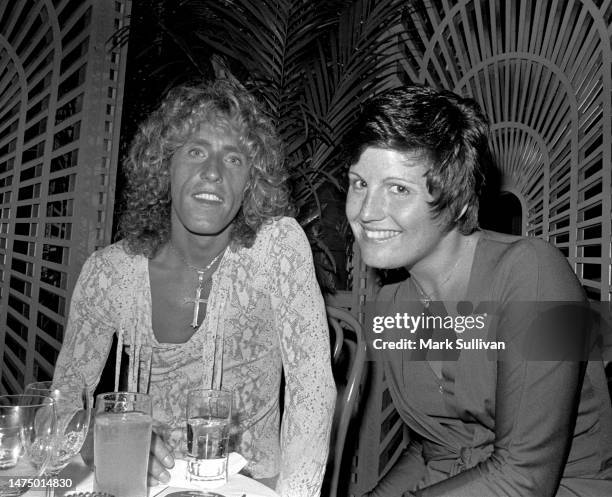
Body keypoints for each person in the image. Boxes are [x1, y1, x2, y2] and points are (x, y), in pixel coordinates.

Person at [53, 79, 336, 497]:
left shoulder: (275, 249)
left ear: (250, 185)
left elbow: (312, 391)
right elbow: (60, 404)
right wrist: (97, 439)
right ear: (164, 166)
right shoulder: (109, 273)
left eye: (235, 159)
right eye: (196, 151)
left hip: (252, 487)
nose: (213, 173)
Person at [345, 85, 612, 496]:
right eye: (359, 183)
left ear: (455, 200)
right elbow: (433, 446)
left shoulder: (537, 274)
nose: (365, 212)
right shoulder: (390, 305)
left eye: (398, 188)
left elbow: (525, 478)